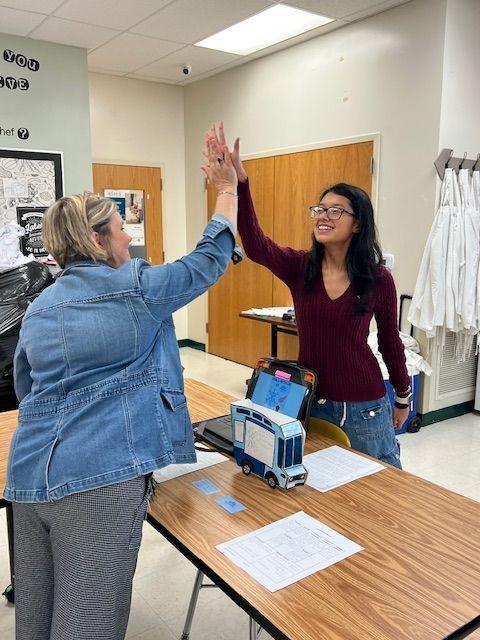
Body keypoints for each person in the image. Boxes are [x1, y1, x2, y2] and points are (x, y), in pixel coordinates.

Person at [5, 129, 239, 640]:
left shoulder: (38, 306)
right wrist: (227, 189)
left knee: (36, 620)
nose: (129, 237)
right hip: (98, 482)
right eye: (120, 228)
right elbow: (209, 260)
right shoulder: (136, 287)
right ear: (96, 240)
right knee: (88, 621)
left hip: (26, 481)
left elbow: (26, 389)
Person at [205, 124, 411, 468]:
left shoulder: (378, 279)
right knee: (321, 490)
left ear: (357, 224)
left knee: (382, 490)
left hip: (365, 405)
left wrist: (402, 396)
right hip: (309, 400)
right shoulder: (301, 268)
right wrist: (240, 183)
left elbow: (391, 341)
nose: (323, 216)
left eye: (335, 211)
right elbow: (256, 244)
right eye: (320, 209)